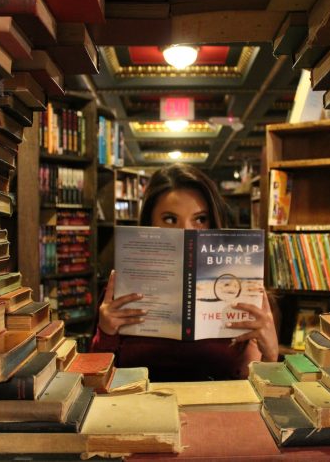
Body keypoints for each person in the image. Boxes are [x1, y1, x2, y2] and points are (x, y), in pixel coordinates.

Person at [91, 163, 279, 381]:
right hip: (140, 409)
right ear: (149, 224)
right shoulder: (120, 291)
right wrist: (105, 333)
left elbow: (258, 382)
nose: (187, 231)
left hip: (218, 410)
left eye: (200, 219)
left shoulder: (243, 287)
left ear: (214, 222)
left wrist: (271, 353)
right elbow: (96, 378)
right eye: (170, 219)